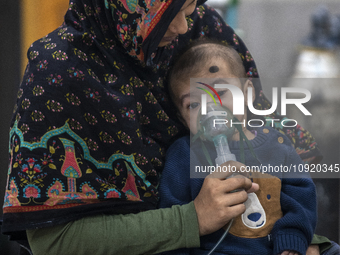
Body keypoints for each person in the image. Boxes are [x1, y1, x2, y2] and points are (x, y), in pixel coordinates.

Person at [0, 0, 333, 254]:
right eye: (175, 9)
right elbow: (55, 242)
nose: (183, 27)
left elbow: (278, 161)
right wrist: (193, 219)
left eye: (189, 6)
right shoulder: (59, 70)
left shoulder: (201, 31)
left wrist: (302, 239)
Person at [158, 40, 317, 255]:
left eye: (221, 92)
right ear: (183, 118)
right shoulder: (183, 155)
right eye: (194, 104)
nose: (210, 109)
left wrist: (292, 240)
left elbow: (301, 198)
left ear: (248, 94)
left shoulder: (277, 145)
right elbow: (173, 222)